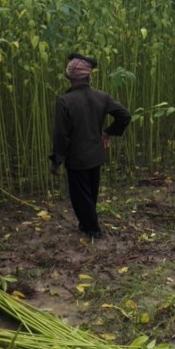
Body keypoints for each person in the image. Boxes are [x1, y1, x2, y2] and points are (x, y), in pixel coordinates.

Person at [50, 53, 131, 240]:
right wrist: (108, 131)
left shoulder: (65, 101)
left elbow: (61, 135)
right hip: (96, 156)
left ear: (69, 77)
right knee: (90, 196)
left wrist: (56, 161)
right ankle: (86, 226)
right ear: (88, 76)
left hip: (77, 159)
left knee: (81, 198)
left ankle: (93, 231)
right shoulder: (102, 97)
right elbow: (125, 116)